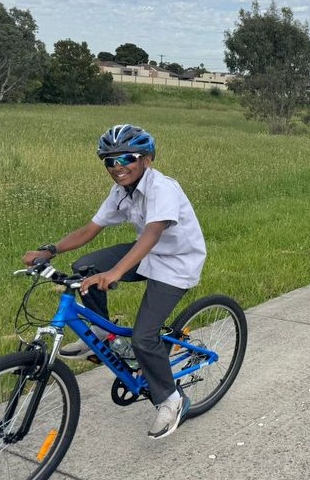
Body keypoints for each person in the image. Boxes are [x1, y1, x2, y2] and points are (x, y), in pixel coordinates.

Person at [22, 124, 206, 440]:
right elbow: (90, 229)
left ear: (147, 159)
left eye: (126, 158)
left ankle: (171, 400)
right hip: (147, 255)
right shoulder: (121, 192)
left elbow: (152, 233)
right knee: (85, 267)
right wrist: (49, 250)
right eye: (109, 161)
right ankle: (101, 334)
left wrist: (115, 272)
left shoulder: (163, 188)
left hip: (177, 264)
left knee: (144, 338)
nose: (117, 167)